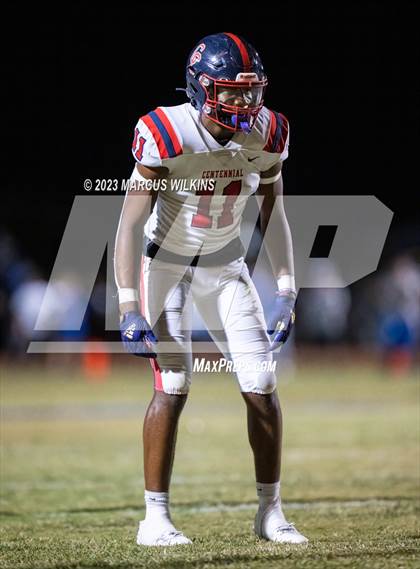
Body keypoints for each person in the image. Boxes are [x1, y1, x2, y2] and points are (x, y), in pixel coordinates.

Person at [114, 32, 307, 546]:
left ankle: (271, 513)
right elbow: (129, 222)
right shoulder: (167, 132)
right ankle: (154, 519)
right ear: (201, 88)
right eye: (232, 93)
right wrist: (129, 305)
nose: (244, 104)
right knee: (173, 385)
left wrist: (286, 290)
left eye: (251, 92)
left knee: (261, 383)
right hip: (167, 265)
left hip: (225, 265)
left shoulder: (268, 132)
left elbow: (274, 213)